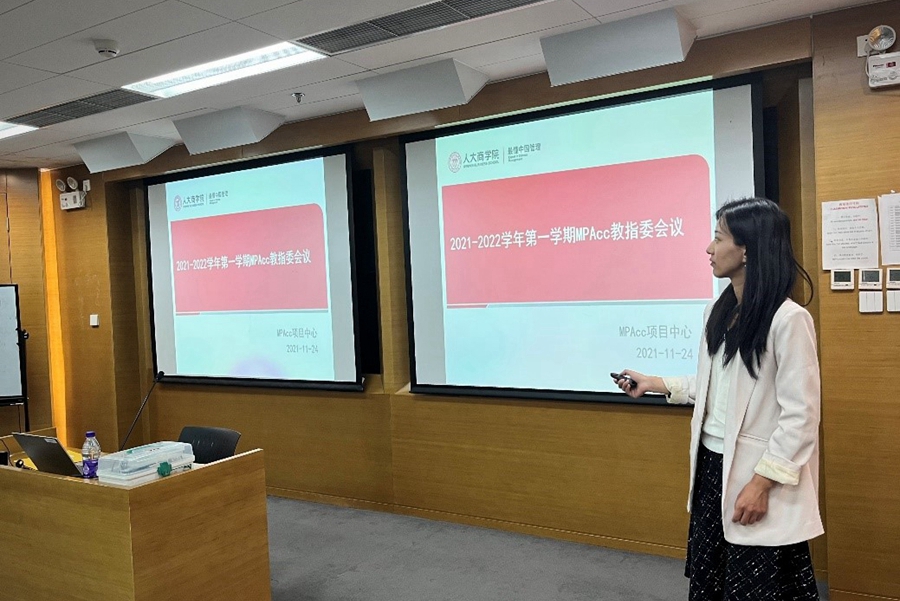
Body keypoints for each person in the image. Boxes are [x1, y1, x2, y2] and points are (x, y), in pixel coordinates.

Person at [614, 197, 822, 600]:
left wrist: (761, 483)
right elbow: (717, 386)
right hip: (712, 465)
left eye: (718, 238)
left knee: (756, 586)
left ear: (747, 250)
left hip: (757, 472)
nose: (709, 249)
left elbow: (801, 415)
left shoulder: (789, 320)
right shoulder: (718, 310)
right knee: (712, 583)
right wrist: (654, 383)